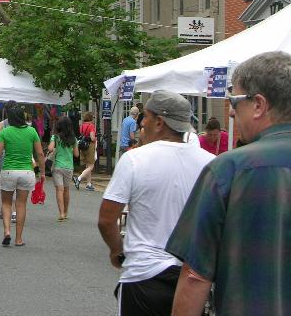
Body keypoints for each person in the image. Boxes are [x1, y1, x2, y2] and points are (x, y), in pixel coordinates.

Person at [167, 51, 291, 315]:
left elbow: (195, 277)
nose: (231, 112)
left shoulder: (228, 170)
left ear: (259, 104)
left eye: (234, 100)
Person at [97, 90, 213, 316]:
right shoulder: (211, 163)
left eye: (146, 117)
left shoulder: (134, 159)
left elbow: (106, 219)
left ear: (160, 122)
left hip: (144, 275)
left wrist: (116, 251)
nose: (142, 123)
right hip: (192, 279)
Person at [0, 105, 44, 247]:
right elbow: (40, 154)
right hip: (26, 172)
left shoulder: (5, 132)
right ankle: (19, 239)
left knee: (6, 203)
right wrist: (42, 172)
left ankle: (7, 232)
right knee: (21, 204)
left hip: (9, 171)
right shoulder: (32, 131)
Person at [48, 116, 79, 221]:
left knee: (59, 190)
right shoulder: (73, 139)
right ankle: (65, 212)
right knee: (66, 190)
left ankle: (61, 213)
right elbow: (76, 154)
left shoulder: (55, 137)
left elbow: (50, 148)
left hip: (57, 166)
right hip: (69, 167)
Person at [74, 111, 97, 191]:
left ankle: (89, 184)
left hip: (83, 146)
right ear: (91, 118)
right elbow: (92, 138)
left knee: (87, 165)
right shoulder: (91, 126)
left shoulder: (82, 126)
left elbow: (82, 135)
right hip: (90, 146)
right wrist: (95, 138)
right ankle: (79, 178)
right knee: (91, 166)